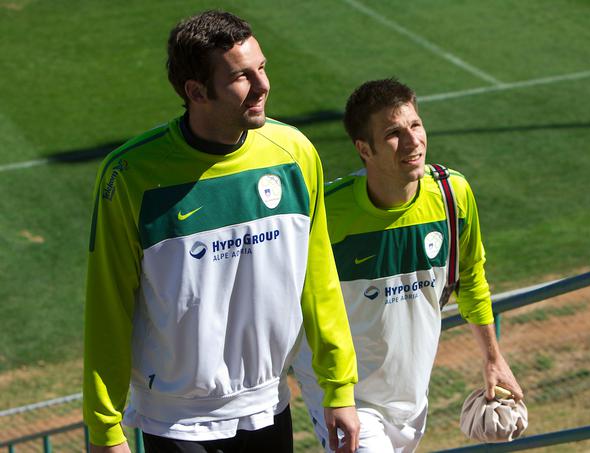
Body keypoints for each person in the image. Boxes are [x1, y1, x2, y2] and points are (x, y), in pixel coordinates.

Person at [83, 10, 360, 453]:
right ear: (196, 91)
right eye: (241, 77)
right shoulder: (131, 175)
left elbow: (318, 277)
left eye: (262, 68)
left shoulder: (294, 153)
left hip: (269, 406)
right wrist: (104, 429)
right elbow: (108, 305)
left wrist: (339, 385)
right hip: (176, 422)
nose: (263, 85)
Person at [293, 78, 523, 452]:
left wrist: (494, 359)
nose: (413, 141)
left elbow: (471, 279)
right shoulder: (325, 211)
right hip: (344, 391)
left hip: (410, 393)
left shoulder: (452, 195)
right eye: (393, 133)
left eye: (415, 125)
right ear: (364, 149)